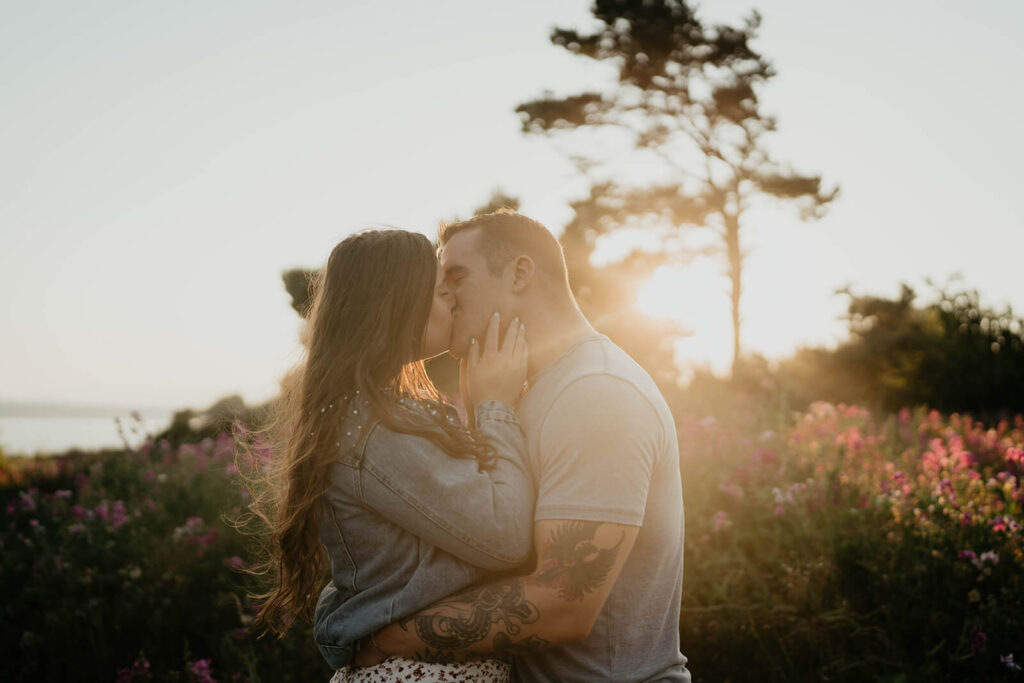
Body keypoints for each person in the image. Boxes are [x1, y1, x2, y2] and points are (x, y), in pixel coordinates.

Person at [356, 210, 692, 681]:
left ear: (519, 272)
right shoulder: (529, 390)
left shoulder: (597, 392)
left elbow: (563, 603)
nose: (446, 297)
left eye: (457, 276)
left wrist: (390, 637)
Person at [245, 229, 536, 682]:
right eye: (442, 293)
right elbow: (504, 535)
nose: (455, 302)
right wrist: (495, 405)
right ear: (401, 308)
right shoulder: (374, 427)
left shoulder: (375, 413)